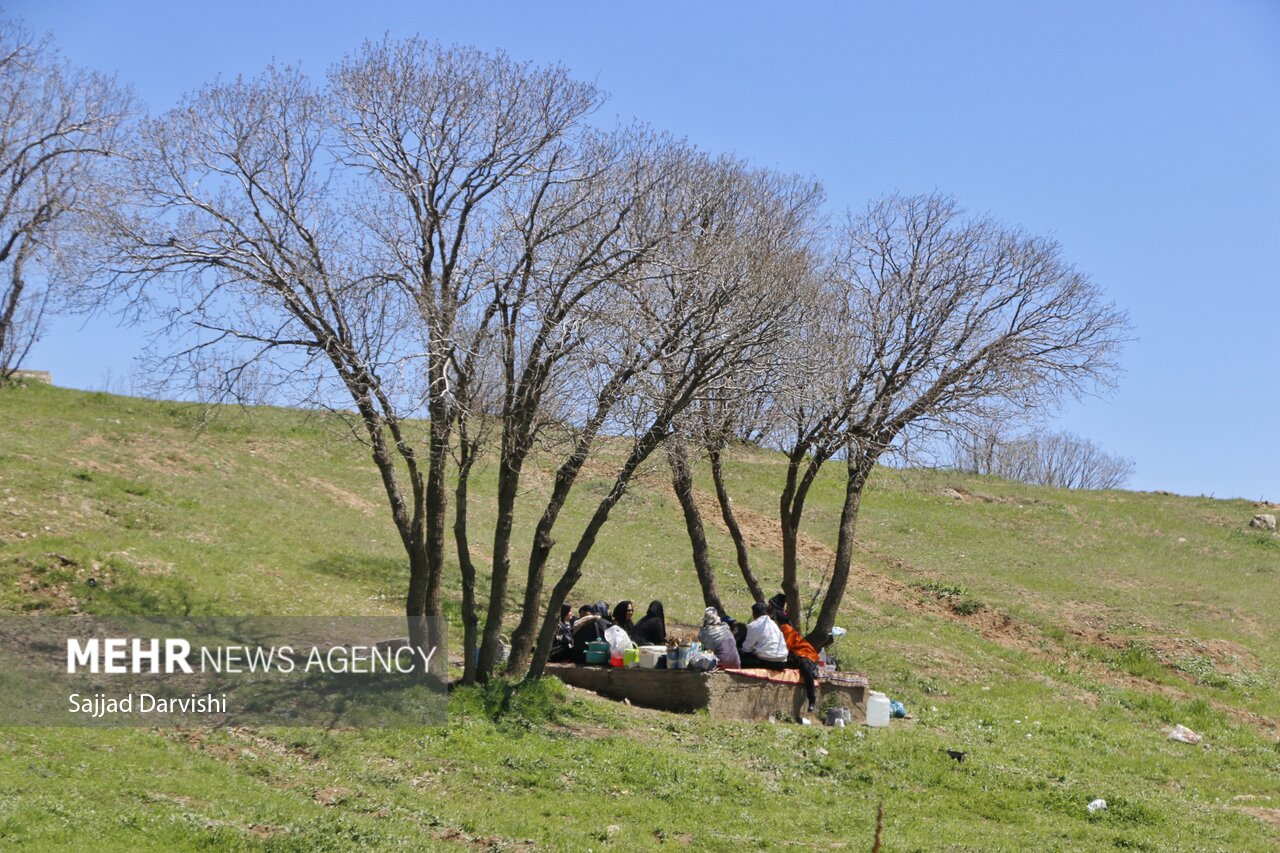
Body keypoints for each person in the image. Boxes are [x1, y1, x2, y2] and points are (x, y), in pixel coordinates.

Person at [778, 618, 820, 715]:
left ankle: (811, 699)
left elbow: (786, 647)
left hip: (805, 654)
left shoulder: (786, 628)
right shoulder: (777, 629)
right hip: (794, 655)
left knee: (806, 670)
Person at [740, 601, 788, 668]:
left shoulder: (753, 625)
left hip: (768, 662)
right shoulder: (774, 624)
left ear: (753, 614)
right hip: (782, 662)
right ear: (766, 613)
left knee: (740, 657)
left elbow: (746, 649)